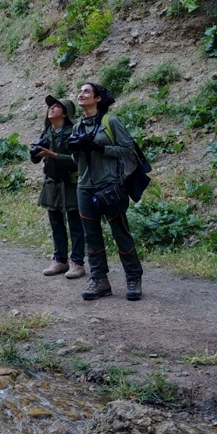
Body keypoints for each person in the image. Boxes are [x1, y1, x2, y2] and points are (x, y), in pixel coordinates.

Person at [68, 82, 143, 301]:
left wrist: (99, 148)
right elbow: (76, 160)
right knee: (91, 235)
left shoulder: (111, 121)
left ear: (98, 98)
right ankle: (100, 280)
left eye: (86, 91)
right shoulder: (77, 126)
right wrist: (77, 148)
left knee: (120, 233)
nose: (81, 94)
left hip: (109, 186)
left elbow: (128, 148)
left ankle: (133, 278)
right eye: (80, 91)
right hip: (84, 186)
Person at [30, 95, 86, 279]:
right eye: (50, 107)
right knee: (56, 224)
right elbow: (36, 159)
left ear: (65, 113)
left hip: (71, 183)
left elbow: (76, 161)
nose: (51, 109)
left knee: (76, 225)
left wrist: (52, 154)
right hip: (52, 184)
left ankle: (77, 263)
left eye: (56, 106)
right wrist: (36, 152)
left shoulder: (73, 132)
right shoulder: (47, 132)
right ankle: (60, 260)